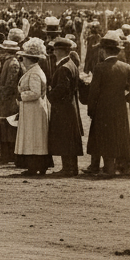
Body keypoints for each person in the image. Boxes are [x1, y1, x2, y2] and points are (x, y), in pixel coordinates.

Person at [85, 31, 130, 177]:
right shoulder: (125, 67)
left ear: (103, 51)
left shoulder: (100, 68)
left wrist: (91, 110)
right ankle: (122, 167)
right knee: (119, 136)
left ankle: (107, 168)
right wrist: (128, 98)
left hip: (102, 109)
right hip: (120, 108)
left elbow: (94, 93)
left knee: (103, 137)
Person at [13, 37, 53, 177]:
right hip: (32, 109)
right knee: (34, 137)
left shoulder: (35, 72)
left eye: (24, 58)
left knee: (34, 137)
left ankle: (35, 166)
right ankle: (36, 165)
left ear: (29, 58)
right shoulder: (33, 70)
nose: (22, 60)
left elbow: (35, 92)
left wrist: (22, 95)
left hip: (34, 109)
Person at [47, 36, 83, 177]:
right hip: (70, 106)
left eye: (56, 49)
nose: (54, 52)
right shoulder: (71, 64)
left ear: (60, 51)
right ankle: (71, 167)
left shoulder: (63, 68)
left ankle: (68, 168)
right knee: (69, 138)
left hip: (63, 107)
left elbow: (62, 88)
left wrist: (50, 95)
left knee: (65, 137)